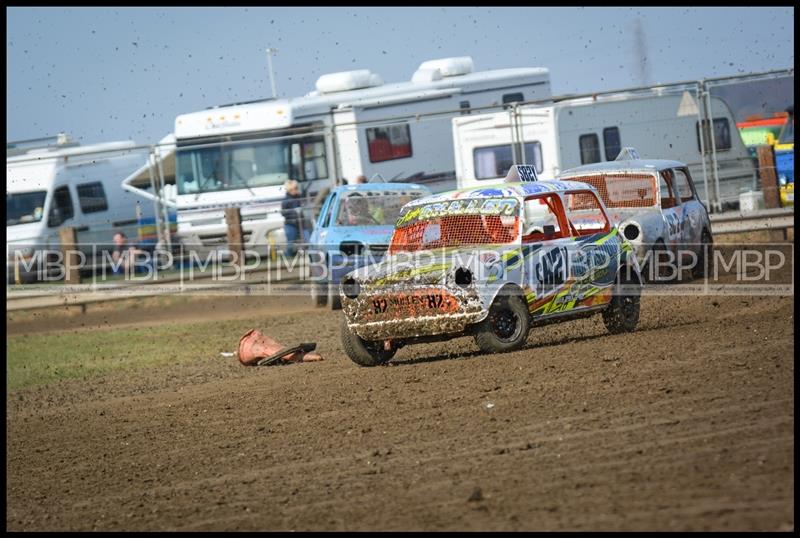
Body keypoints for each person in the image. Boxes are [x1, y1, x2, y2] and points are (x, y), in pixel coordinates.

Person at [281, 179, 311, 256]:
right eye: (294, 188)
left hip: (301, 223)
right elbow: (283, 212)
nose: (296, 190)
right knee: (291, 242)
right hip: (291, 224)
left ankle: (310, 254)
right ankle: (288, 255)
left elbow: (304, 199)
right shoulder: (285, 200)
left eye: (296, 188)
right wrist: (294, 212)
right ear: (290, 190)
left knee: (307, 238)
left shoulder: (298, 197)